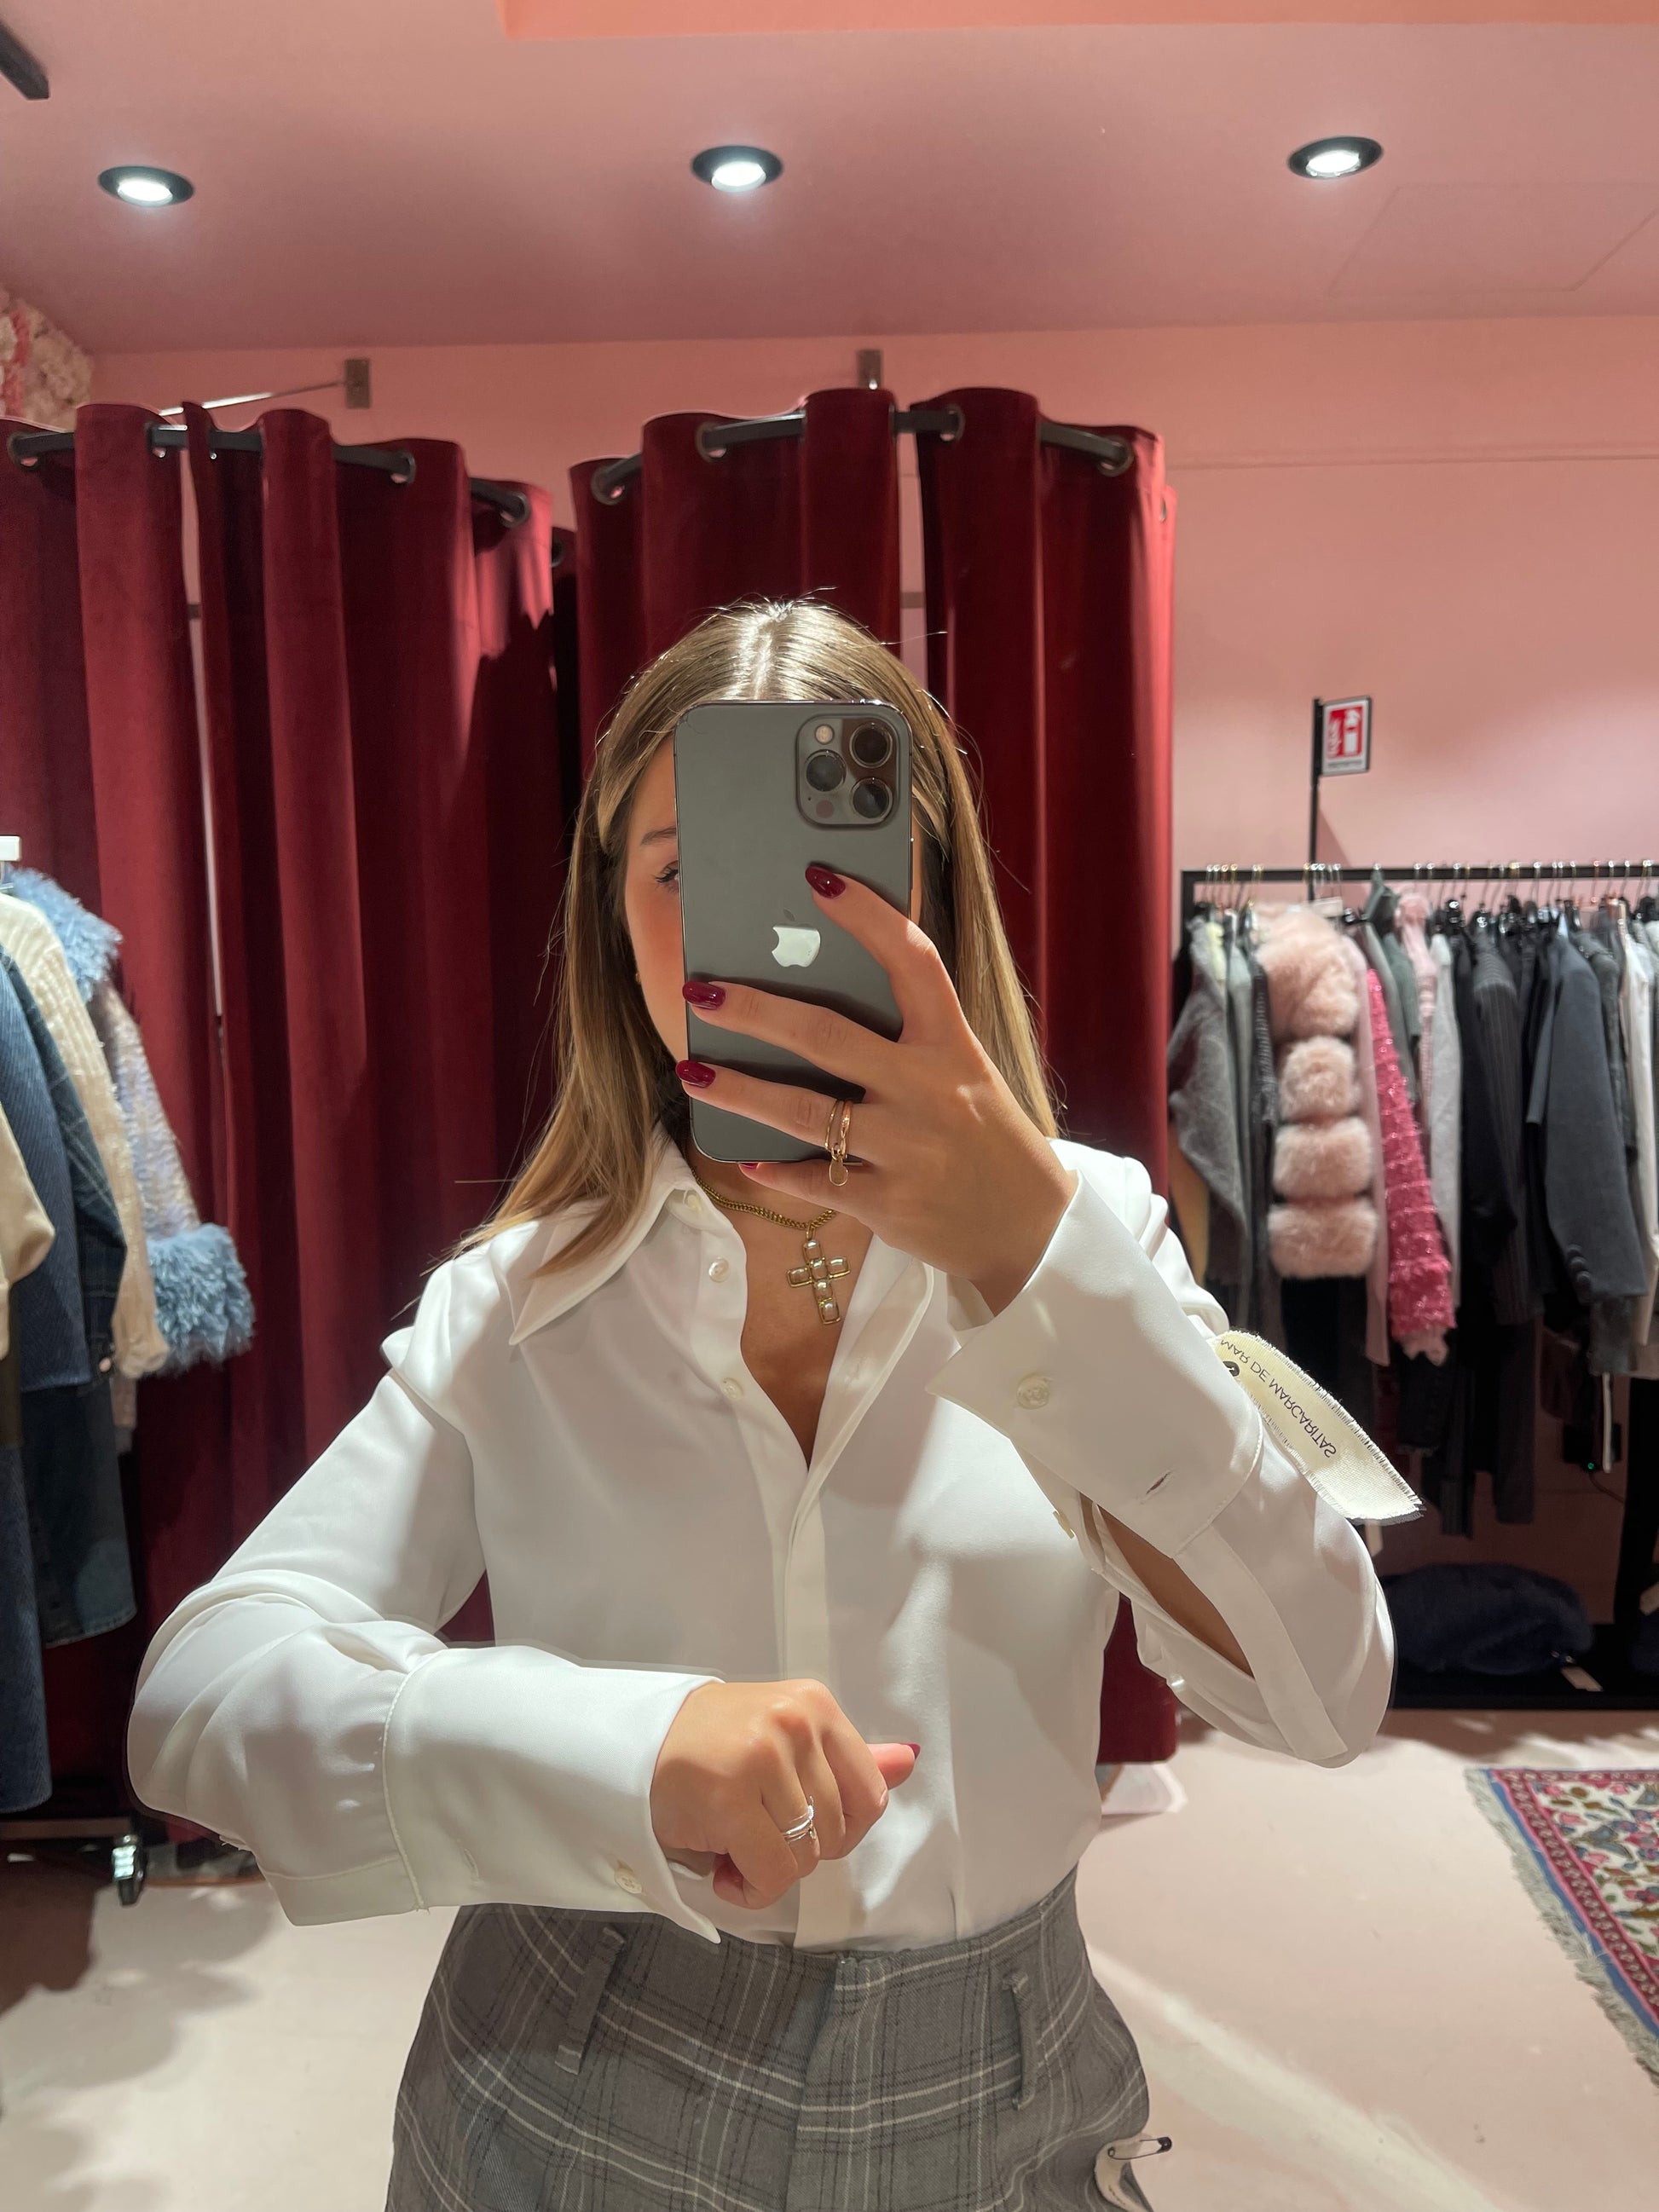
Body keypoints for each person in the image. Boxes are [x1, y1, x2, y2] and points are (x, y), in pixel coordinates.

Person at [127, 599, 1395, 2211]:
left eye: (840, 873)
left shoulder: (1098, 1245)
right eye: (688, 871)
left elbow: (1326, 1695)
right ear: (614, 920)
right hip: (564, 2064)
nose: (773, 931)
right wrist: (615, 1750)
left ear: (931, 904)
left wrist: (1033, 1264)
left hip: (997, 2078)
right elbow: (204, 1694)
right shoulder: (520, 1304)